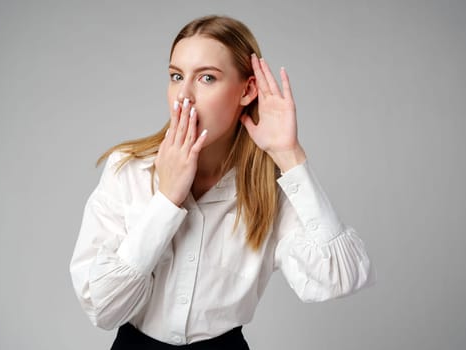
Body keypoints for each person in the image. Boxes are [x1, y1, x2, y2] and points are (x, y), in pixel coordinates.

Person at [70, 15, 375, 350]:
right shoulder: (129, 170)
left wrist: (289, 154)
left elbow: (338, 280)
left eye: (206, 78)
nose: (183, 97)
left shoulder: (271, 188)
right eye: (176, 76)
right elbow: (102, 309)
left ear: (247, 90)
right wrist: (167, 201)